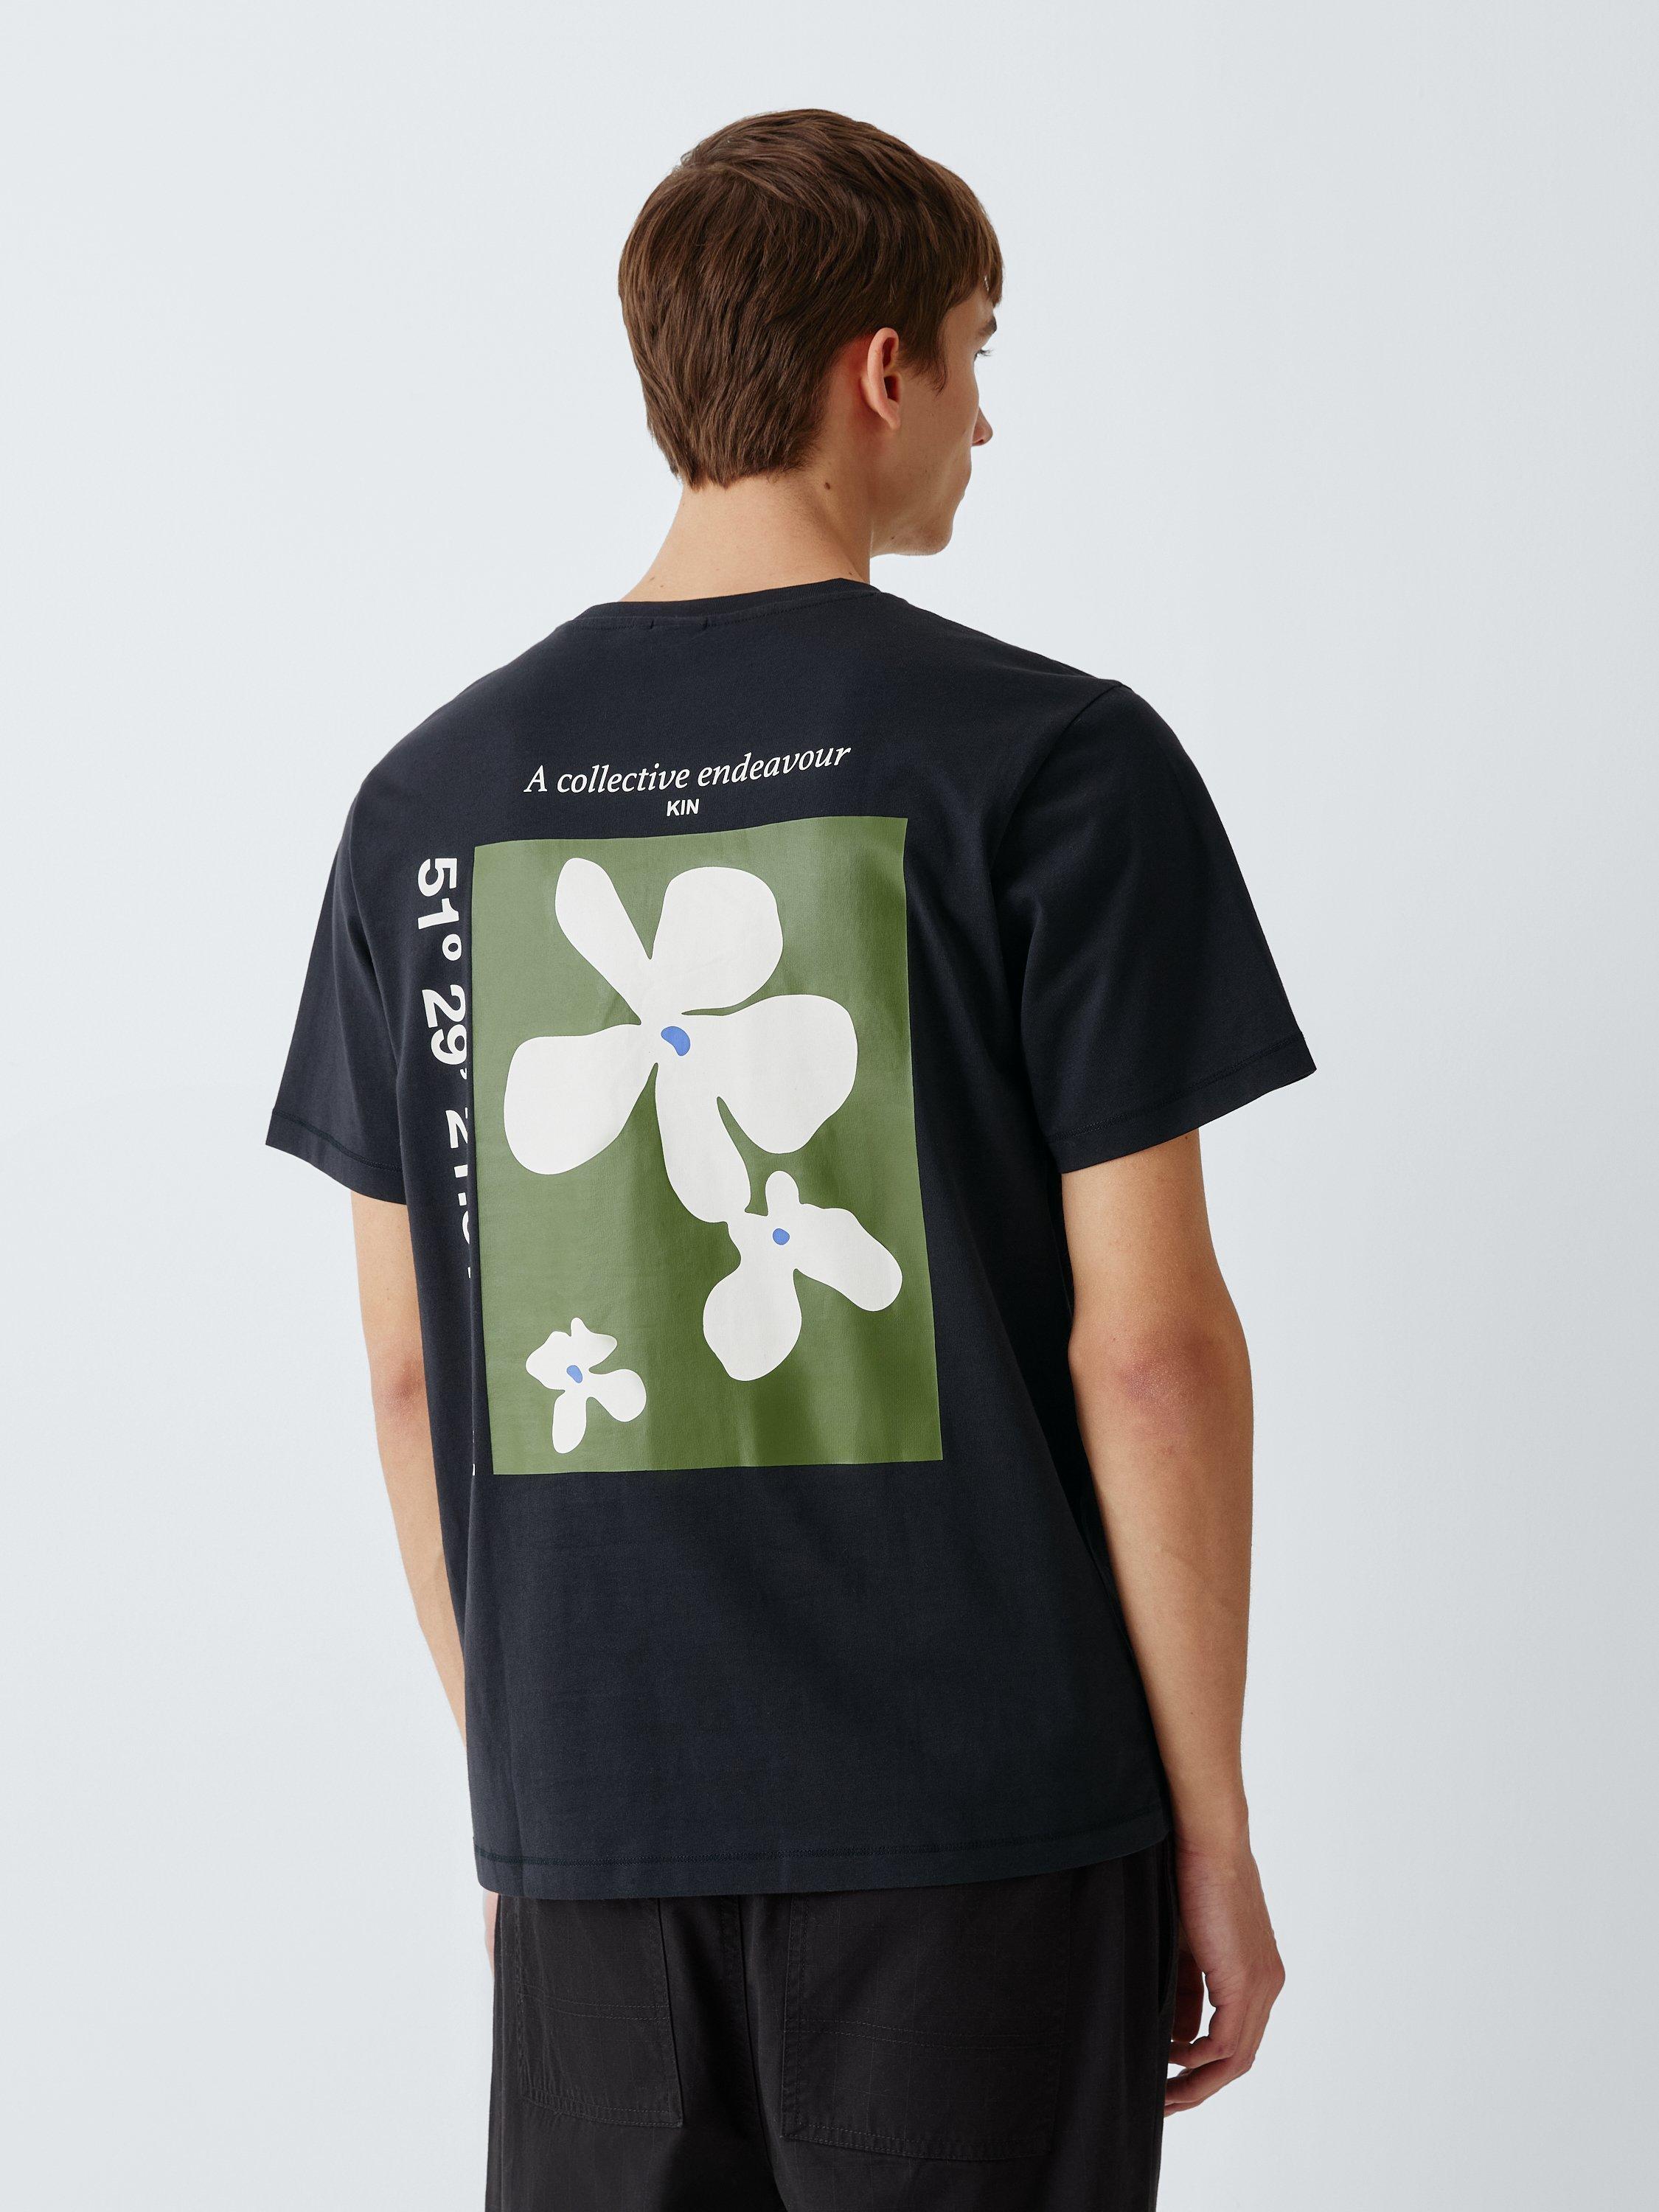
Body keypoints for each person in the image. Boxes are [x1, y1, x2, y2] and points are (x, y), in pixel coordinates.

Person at [269, 107, 1311, 2212]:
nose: (986, 419)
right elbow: (1149, 1354)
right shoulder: (1054, 765)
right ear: (880, 369)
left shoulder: (428, 804)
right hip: (984, 1826)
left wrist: (531, 1806)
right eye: (977, 352)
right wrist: (1211, 1827)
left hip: (591, 1830)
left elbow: (408, 1376)